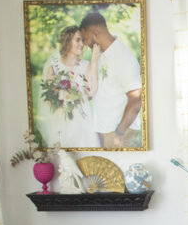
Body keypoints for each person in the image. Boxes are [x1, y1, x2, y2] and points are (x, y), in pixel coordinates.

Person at [79, 11, 143, 148]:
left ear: (95, 34)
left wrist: (120, 132)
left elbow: (136, 99)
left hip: (117, 133)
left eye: (85, 39)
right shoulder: (101, 54)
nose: (85, 44)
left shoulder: (123, 57)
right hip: (104, 130)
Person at [39, 25, 98, 147]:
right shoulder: (54, 67)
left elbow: (91, 92)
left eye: (82, 40)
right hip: (61, 120)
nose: (81, 44)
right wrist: (63, 98)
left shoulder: (86, 65)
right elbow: (49, 99)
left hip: (82, 121)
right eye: (77, 40)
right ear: (67, 41)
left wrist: (95, 60)